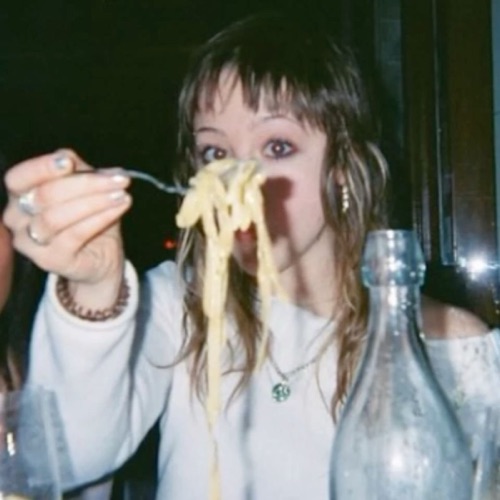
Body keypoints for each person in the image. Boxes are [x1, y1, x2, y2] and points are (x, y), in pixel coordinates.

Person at [2, 14, 499, 499]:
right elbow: (66, 456)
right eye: (215, 153)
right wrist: (93, 285)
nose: (240, 176)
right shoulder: (178, 307)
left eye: (278, 146)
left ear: (342, 169)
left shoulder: (447, 346)